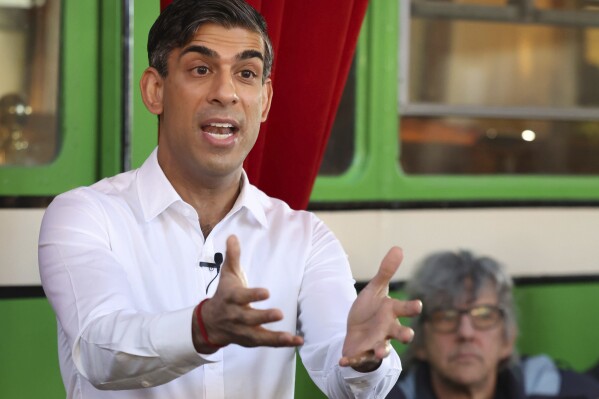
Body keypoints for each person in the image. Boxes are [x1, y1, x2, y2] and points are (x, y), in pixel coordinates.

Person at [38, 1, 422, 398]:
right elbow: (99, 350)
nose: (226, 93)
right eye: (201, 70)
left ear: (265, 101)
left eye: (246, 74)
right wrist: (200, 328)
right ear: (155, 90)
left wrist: (365, 357)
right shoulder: (84, 215)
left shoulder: (304, 237)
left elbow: (350, 383)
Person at [386, 250, 599, 399]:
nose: (466, 333)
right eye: (446, 316)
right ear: (420, 344)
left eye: (484, 315)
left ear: (508, 338)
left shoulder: (557, 391)